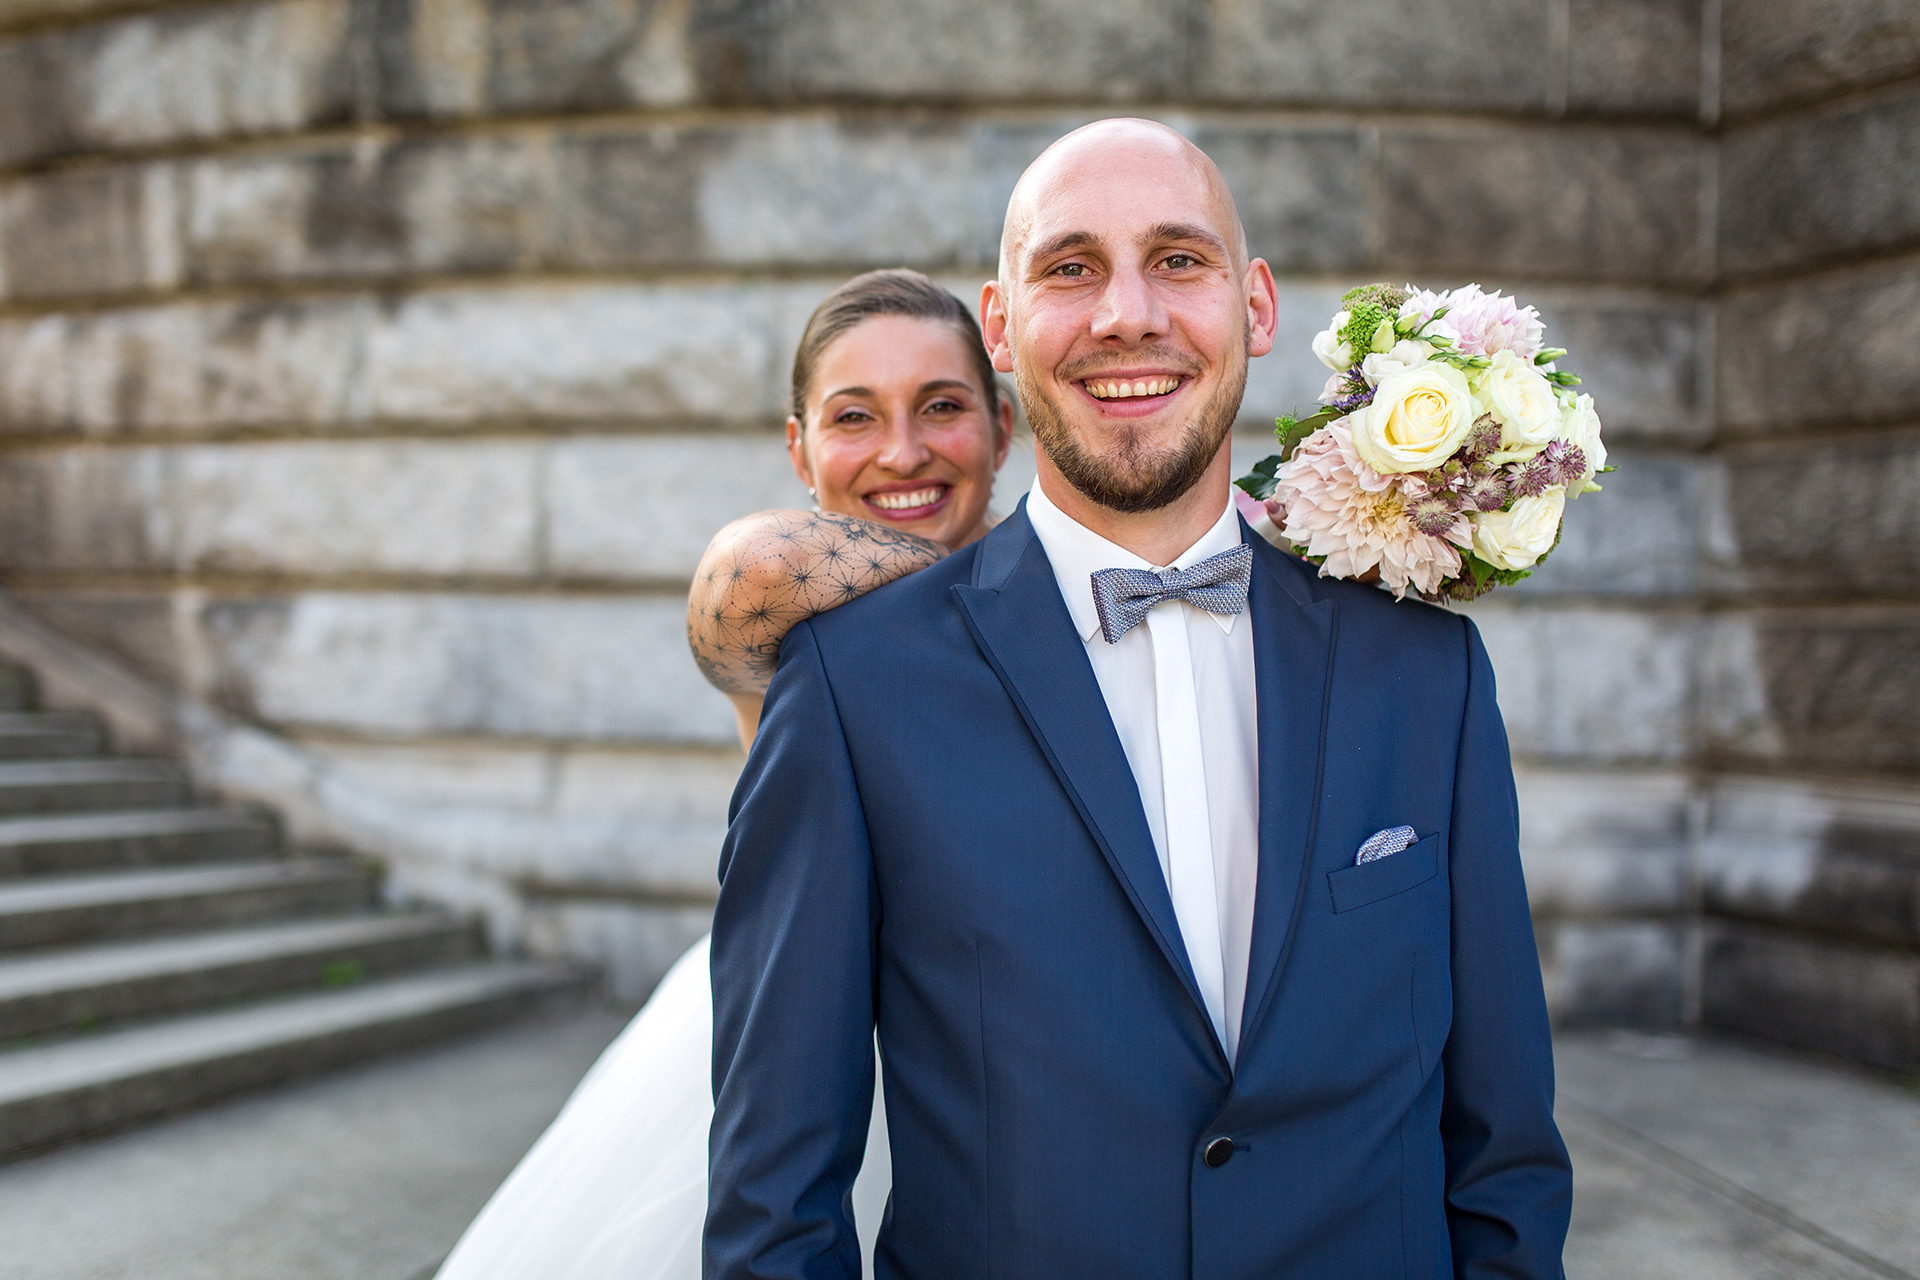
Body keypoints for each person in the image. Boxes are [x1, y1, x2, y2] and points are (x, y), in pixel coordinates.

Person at [708, 118, 1572, 1280]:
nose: (1127, 313)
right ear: (1000, 324)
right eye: (1071, 268)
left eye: (1178, 259)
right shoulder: (851, 687)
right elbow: (775, 1202)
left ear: (1255, 306)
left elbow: (1506, 1150)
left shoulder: (1429, 673)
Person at [433, 269, 1011, 1280]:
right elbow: (755, 565)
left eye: (942, 406)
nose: (903, 450)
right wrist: (1022, 587)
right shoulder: (789, 613)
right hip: (815, 1059)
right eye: (854, 416)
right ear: (799, 449)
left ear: (1003, 426)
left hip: (1010, 1063)